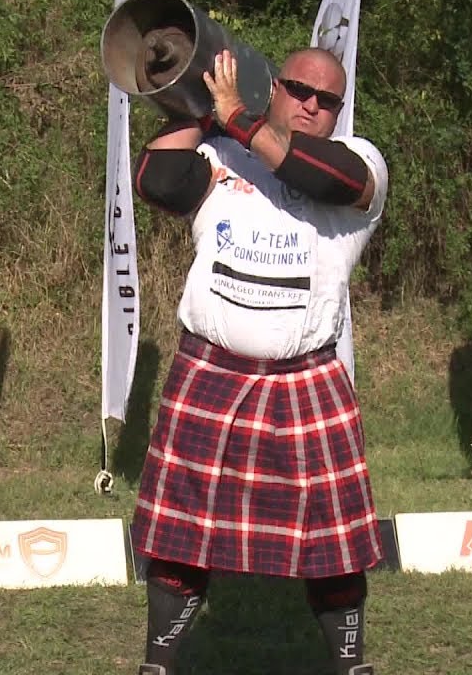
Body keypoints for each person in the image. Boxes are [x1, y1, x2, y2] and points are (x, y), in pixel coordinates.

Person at [129, 46, 389, 675]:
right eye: (299, 89)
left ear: (340, 108)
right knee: (180, 536)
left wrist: (238, 118)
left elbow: (324, 178)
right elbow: (156, 180)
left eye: (327, 99)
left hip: (305, 379)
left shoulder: (359, 161)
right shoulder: (223, 154)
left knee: (333, 545)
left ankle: (350, 666)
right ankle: (157, 665)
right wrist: (194, 101)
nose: (311, 105)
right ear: (275, 87)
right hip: (210, 373)